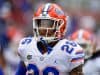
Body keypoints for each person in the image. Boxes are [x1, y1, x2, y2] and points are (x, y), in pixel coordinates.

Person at [16, 3, 84, 75]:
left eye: (48, 24)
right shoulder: (26, 46)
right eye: (40, 24)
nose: (43, 28)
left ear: (61, 25)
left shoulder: (70, 51)